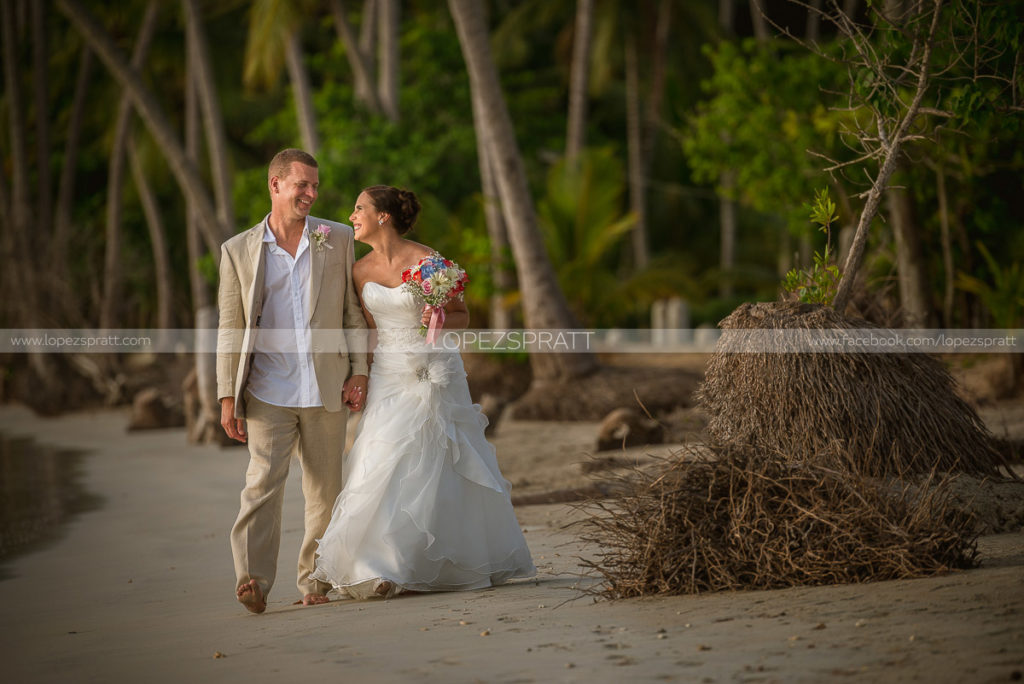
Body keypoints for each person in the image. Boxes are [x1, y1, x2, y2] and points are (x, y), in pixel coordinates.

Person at [311, 185, 535, 598]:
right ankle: (380, 567)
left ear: (384, 217)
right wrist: (359, 375)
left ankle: (447, 560)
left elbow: (461, 316)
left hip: (436, 369)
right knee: (381, 460)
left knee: (441, 461)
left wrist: (435, 320)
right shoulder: (359, 271)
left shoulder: (431, 263)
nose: (352, 214)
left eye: (359, 208)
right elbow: (368, 332)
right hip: (390, 375)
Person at [216, 148, 369, 614]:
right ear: (275, 185)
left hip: (326, 384)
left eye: (314, 186)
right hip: (266, 389)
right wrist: (227, 396)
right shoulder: (237, 249)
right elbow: (230, 324)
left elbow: (350, 312)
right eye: (301, 184)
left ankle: (316, 581)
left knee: (325, 490)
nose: (310, 193)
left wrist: (359, 370)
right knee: (261, 484)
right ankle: (253, 580)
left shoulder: (336, 237)